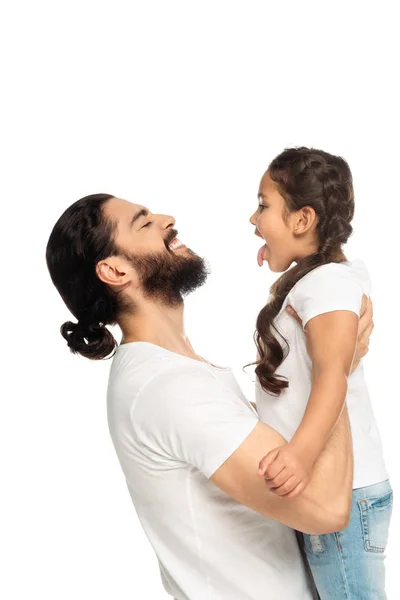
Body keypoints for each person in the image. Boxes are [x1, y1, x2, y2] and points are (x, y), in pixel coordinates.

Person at [46, 193, 371, 599]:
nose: (168, 219)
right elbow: (325, 510)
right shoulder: (169, 388)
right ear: (114, 270)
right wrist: (335, 365)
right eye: (143, 223)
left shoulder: (173, 374)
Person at [251, 147, 392, 599]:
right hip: (335, 488)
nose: (253, 219)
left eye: (262, 204)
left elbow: (334, 375)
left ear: (302, 219)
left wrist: (299, 455)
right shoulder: (320, 282)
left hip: (343, 491)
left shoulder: (328, 284)